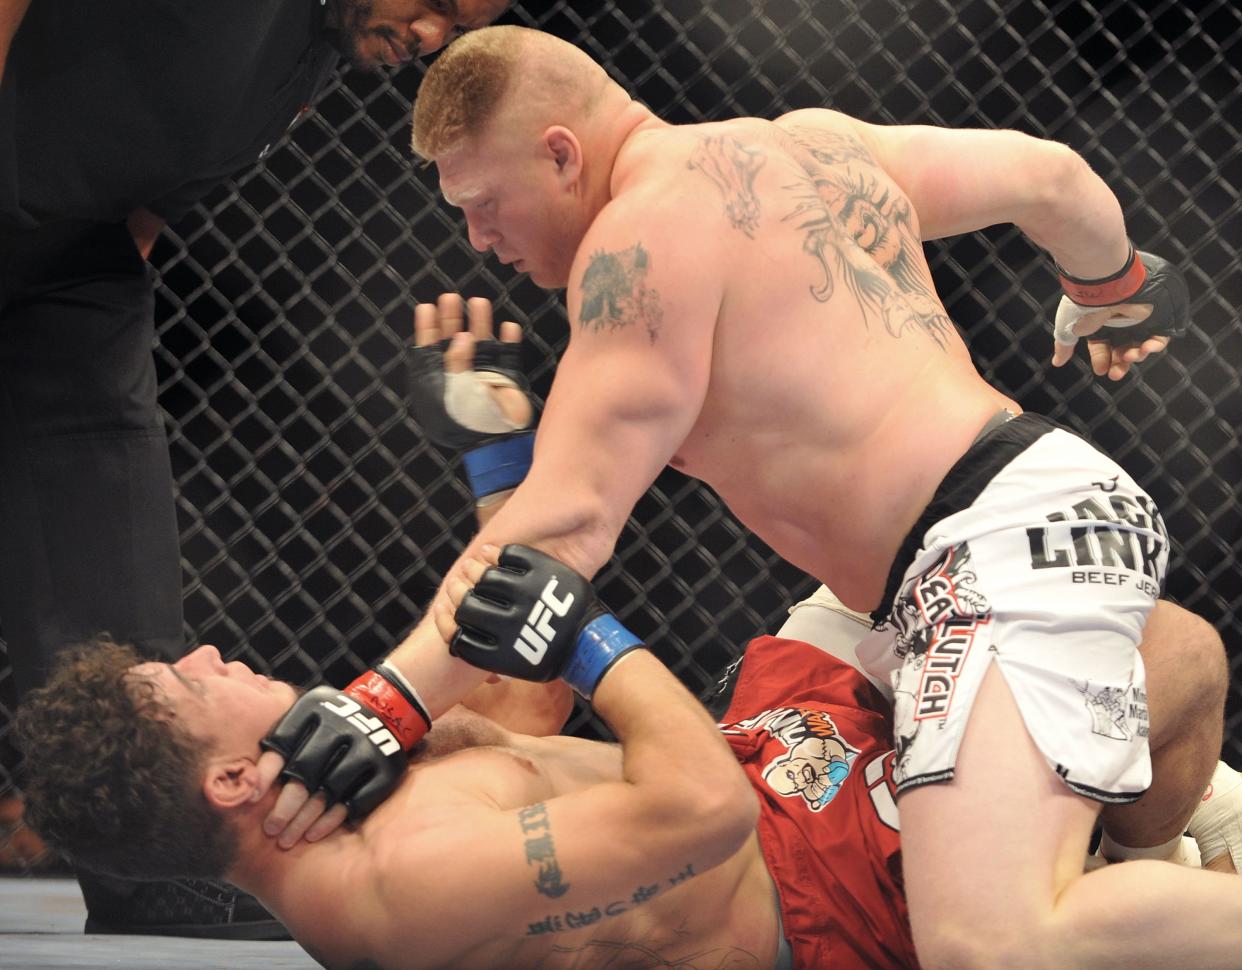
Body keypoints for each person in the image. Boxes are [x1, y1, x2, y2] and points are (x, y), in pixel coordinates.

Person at [258, 25, 1240, 969]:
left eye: (483, 202)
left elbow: (561, 533)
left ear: (562, 155)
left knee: (991, 943)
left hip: (981, 547)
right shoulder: (811, 144)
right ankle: (1142, 854)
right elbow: (1051, 177)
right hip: (923, 568)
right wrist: (1112, 285)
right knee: (802, 729)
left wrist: (381, 703)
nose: (478, 239)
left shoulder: (635, 245)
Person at [0, 0, 511, 937]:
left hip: (73, 263)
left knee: (108, 546)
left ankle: (156, 868)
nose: (433, 35)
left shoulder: (308, 62)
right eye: (437, 3)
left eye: (461, 23)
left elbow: (155, 175)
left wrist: (110, 269)